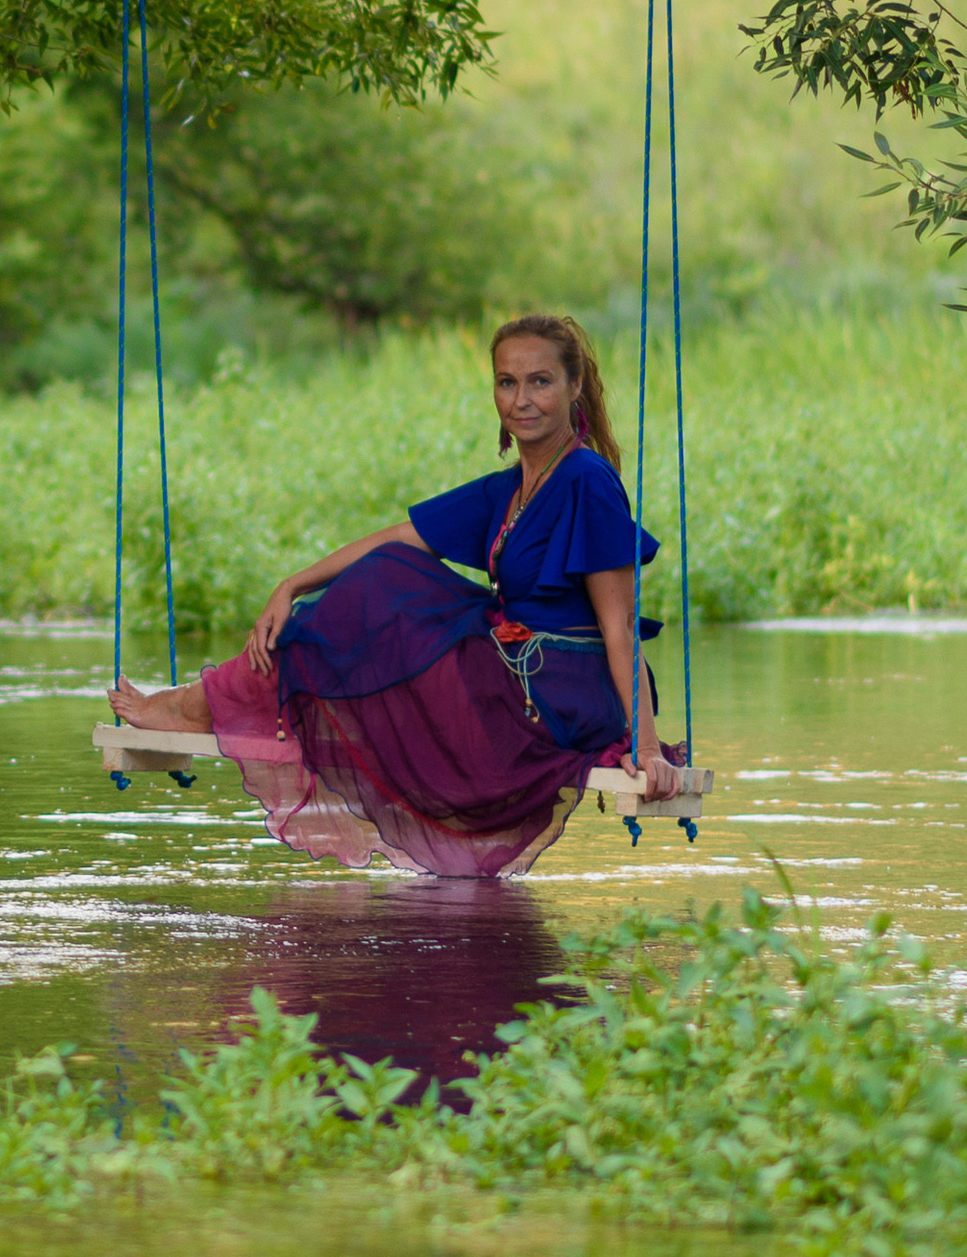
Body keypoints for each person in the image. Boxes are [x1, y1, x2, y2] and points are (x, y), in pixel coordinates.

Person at [107, 313, 685, 877]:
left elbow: (619, 628)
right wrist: (292, 585)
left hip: (564, 691)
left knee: (391, 594)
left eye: (541, 381)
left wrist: (649, 747)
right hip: (517, 672)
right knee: (388, 577)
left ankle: (201, 703)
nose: (522, 400)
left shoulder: (587, 480)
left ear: (574, 385)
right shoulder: (514, 487)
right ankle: (210, 700)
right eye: (507, 383)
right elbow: (398, 539)